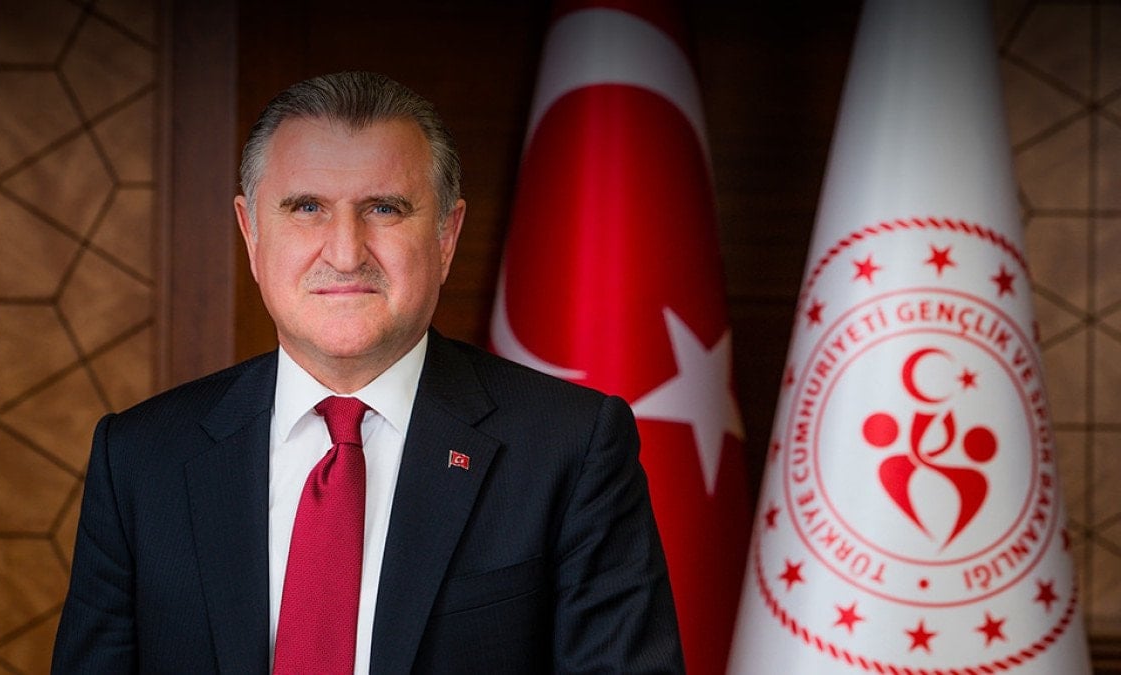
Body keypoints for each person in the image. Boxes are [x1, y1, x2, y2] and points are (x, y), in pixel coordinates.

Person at [51, 71, 684, 674]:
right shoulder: (139, 458)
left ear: (446, 236)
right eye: (307, 207)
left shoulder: (570, 447)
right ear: (252, 233)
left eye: (384, 208)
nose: (346, 252)